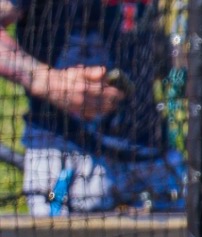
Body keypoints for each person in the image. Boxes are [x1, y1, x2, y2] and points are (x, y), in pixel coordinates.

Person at [0, 0, 182, 215]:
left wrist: (185, 63)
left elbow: (144, 35)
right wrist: (45, 80)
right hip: (71, 159)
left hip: (153, 158)